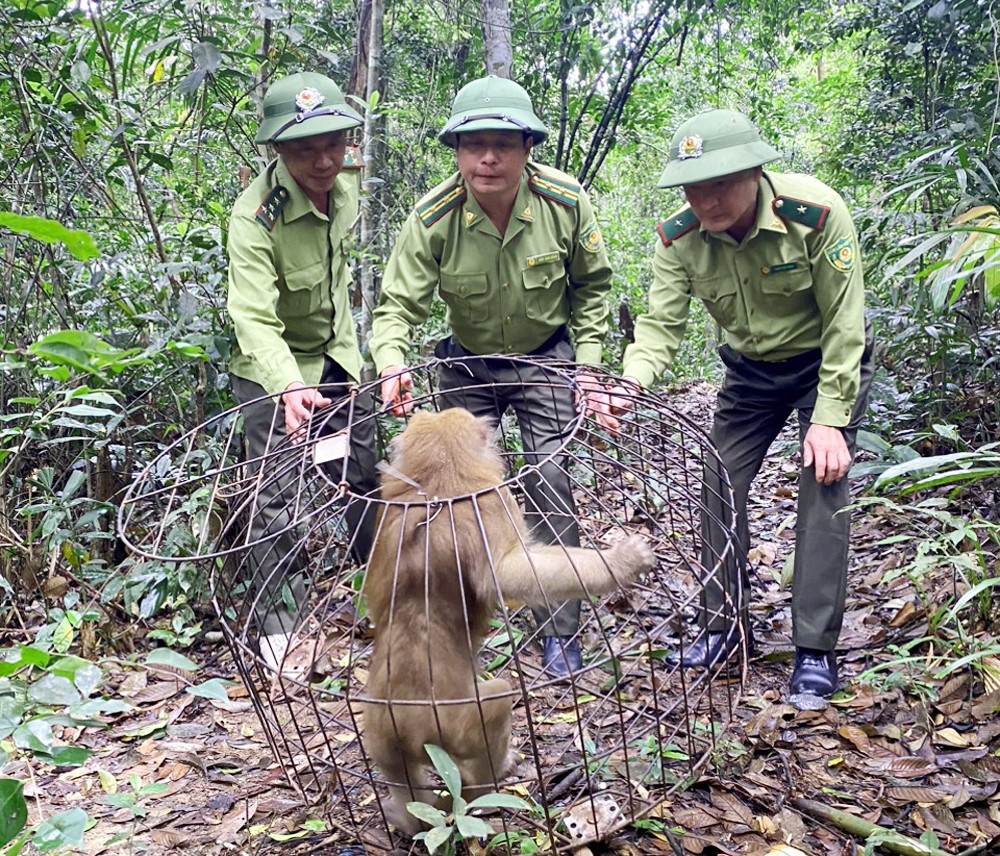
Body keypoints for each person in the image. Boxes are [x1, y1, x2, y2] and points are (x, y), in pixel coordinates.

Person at [612, 109, 874, 697]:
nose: (706, 201)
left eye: (721, 183)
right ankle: (722, 625)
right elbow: (659, 325)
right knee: (717, 476)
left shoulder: (817, 215)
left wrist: (830, 418)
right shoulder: (679, 238)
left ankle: (814, 649)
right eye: (693, 187)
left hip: (823, 363)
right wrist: (630, 382)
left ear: (756, 171)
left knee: (824, 482)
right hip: (750, 374)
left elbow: (844, 323)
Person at [370, 75, 615, 678]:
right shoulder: (434, 216)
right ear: (456, 150)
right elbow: (397, 306)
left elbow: (593, 288)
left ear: (526, 146)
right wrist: (392, 362)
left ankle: (560, 629)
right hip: (468, 365)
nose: (487, 157)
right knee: (452, 498)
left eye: (502, 143)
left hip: (544, 356)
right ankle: (455, 627)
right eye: (473, 143)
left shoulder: (565, 202)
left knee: (550, 477)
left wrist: (587, 368)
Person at [226, 72, 378, 670]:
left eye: (333, 144)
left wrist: (354, 364)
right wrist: (291, 385)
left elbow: (338, 287)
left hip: (337, 357)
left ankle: (384, 593)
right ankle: (279, 633)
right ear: (279, 151)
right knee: (278, 498)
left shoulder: (345, 190)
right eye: (304, 148)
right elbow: (252, 316)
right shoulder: (255, 218)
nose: (322, 160)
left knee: (361, 475)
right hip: (273, 374)